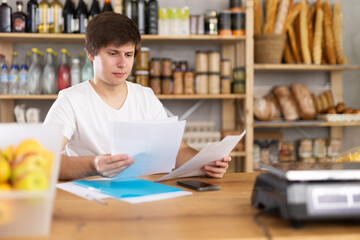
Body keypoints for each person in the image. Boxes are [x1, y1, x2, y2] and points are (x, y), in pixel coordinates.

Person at [44, 12, 231, 181]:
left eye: (129, 55)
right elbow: (42, 159)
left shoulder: (145, 97)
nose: (122, 64)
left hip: (141, 201)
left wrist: (205, 163)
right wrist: (94, 165)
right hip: (91, 201)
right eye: (113, 53)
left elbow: (177, 150)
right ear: (91, 53)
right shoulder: (70, 100)